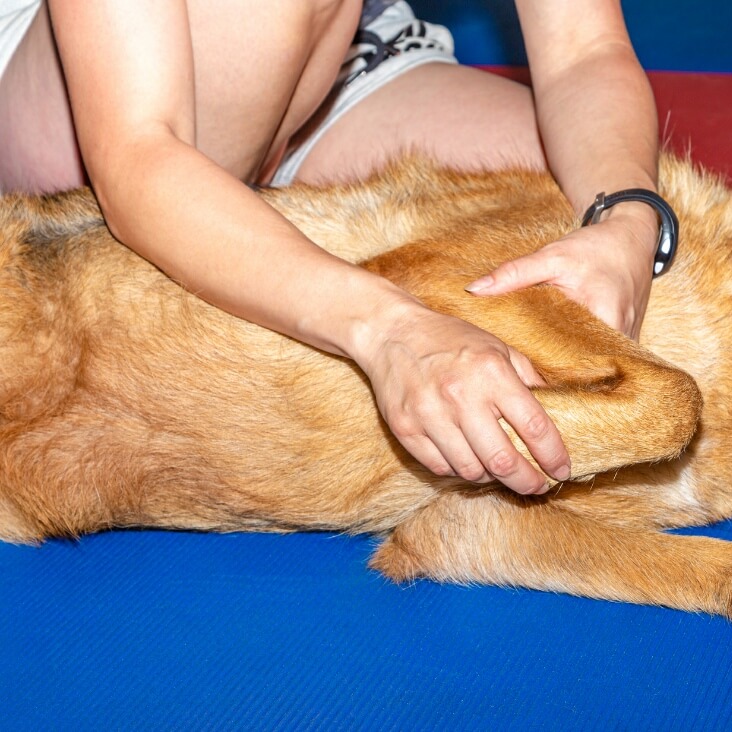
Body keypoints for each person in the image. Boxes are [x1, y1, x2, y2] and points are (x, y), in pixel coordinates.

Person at [0, 0, 663, 495]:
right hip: (107, 93)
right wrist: (389, 328)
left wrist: (627, 224)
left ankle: (247, 211)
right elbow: (136, 154)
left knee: (569, 194)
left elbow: (584, 51)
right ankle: (225, 223)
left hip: (333, 64)